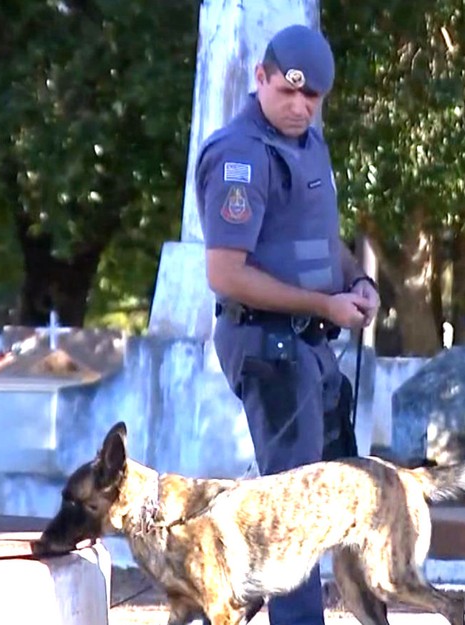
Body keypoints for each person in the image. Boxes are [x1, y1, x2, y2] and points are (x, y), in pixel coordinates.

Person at [194, 23, 381, 625]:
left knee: (340, 502)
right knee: (293, 513)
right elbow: (226, 274)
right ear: (261, 78)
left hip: (312, 349)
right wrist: (325, 306)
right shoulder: (239, 155)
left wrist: (357, 281)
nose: (299, 106)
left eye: (312, 97)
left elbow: (320, 243)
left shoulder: (309, 145)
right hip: (269, 347)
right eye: (288, 92)